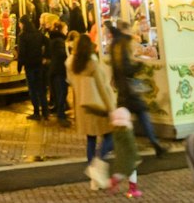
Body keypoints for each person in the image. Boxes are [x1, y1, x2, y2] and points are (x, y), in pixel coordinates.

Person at [108, 23, 170, 157]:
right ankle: (154, 144)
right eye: (129, 30)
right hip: (129, 88)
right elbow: (125, 67)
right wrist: (139, 66)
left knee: (127, 118)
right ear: (125, 30)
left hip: (122, 87)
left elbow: (117, 66)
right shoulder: (124, 43)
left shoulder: (114, 43)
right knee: (141, 115)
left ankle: (115, 147)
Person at [70, 28, 117, 166]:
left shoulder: (75, 65)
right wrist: (111, 107)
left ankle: (91, 163)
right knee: (110, 135)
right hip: (97, 106)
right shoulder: (92, 64)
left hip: (84, 106)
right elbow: (103, 88)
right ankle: (98, 159)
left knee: (91, 138)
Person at [106, 106, 141, 198]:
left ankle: (113, 182)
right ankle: (132, 190)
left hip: (120, 156)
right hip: (128, 157)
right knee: (131, 172)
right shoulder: (127, 132)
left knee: (120, 172)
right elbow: (131, 146)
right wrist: (136, 157)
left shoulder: (115, 132)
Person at [44, 14, 74, 124]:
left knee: (60, 93)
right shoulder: (59, 41)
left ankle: (60, 112)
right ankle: (61, 116)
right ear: (61, 29)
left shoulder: (56, 40)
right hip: (59, 71)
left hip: (56, 70)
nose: (67, 31)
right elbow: (61, 56)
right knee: (61, 92)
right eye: (66, 29)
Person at [20, 13, 49, 121]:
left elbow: (22, 52)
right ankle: (45, 112)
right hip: (38, 64)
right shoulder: (38, 34)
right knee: (41, 88)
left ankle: (36, 111)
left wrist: (20, 65)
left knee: (32, 89)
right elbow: (48, 42)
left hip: (29, 65)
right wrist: (45, 56)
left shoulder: (23, 36)